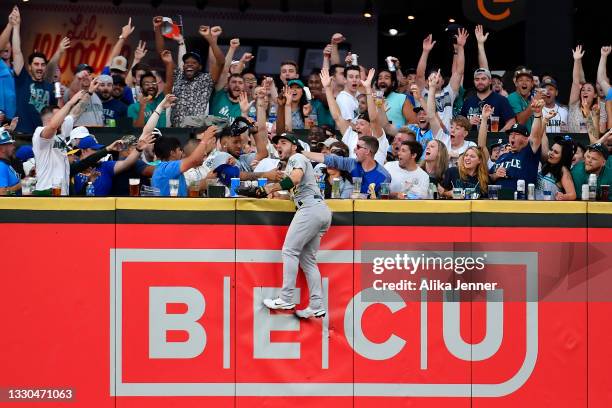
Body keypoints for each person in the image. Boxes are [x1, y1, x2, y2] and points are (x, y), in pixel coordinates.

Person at [262, 132, 332, 319]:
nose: (279, 146)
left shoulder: (297, 157)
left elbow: (295, 179)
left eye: (284, 142)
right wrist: (274, 193)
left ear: (294, 146)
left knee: (289, 251)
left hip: (310, 209)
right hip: (320, 210)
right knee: (308, 260)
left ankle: (286, 298)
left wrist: (270, 188)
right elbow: (293, 187)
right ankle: (316, 305)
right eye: (277, 143)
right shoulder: (291, 164)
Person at [320, 68, 389, 165]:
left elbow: (373, 119)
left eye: (361, 124)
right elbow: (337, 117)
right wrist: (327, 88)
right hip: (354, 179)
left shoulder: (377, 137)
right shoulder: (351, 136)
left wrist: (368, 88)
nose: (357, 126)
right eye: (356, 124)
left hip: (375, 179)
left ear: (370, 126)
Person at [9, 7, 57, 134]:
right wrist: (16, 26)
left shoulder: (50, 88)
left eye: (42, 65)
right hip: (22, 135)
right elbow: (17, 52)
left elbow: (55, 113)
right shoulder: (22, 79)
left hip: (42, 137)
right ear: (30, 66)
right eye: (36, 64)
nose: (40, 67)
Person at [169, 25, 225, 127]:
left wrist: (210, 39)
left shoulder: (206, 80)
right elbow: (162, 54)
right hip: (175, 130)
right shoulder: (178, 77)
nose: (189, 64)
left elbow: (221, 62)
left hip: (196, 131)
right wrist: (180, 41)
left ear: (200, 67)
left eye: (194, 62)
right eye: (186, 62)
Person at [32, 90, 85, 195]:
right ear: (50, 119)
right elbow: (52, 126)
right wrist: (70, 103)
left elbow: (76, 111)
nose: (63, 118)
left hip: (62, 192)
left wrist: (90, 92)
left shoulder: (63, 129)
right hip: (46, 192)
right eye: (60, 115)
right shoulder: (39, 133)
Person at [488, 99, 546, 193]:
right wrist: (495, 175)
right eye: (511, 134)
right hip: (496, 199)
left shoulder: (529, 152)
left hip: (519, 200)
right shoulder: (503, 156)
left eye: (517, 134)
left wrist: (537, 115)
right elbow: (488, 177)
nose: (512, 136)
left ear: (526, 139)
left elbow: (535, 136)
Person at [303, 135, 391, 196]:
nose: (354, 149)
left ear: (367, 151)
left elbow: (383, 200)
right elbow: (329, 159)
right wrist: (302, 153)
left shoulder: (384, 176)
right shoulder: (351, 164)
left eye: (358, 147)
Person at [415, 29, 467, 131]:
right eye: (432, 76)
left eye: (438, 76)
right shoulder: (422, 93)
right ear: (427, 82)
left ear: (443, 81)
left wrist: (460, 48)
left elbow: (459, 71)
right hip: (427, 136)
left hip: (446, 137)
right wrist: (425, 52)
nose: (435, 78)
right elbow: (420, 75)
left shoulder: (449, 92)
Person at [72, 133, 153, 196]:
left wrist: (138, 149)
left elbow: (126, 163)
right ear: (83, 151)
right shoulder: (72, 169)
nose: (97, 152)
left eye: (99, 149)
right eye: (94, 149)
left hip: (105, 211)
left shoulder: (105, 166)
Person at [536, 135, 576, 200]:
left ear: (563, 157)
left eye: (556, 152)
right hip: (535, 207)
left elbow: (572, 194)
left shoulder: (563, 170)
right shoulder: (546, 165)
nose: (551, 153)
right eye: (551, 150)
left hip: (549, 208)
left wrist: (563, 196)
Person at [507, 67, 537, 131]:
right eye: (521, 80)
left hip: (531, 138)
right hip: (518, 139)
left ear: (532, 84)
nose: (524, 83)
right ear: (516, 83)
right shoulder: (513, 97)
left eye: (527, 80)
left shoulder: (530, 99)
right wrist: (533, 103)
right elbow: (520, 122)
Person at [0, 128, 20, 195]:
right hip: (9, 205)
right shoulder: (1, 166)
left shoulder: (6, 164)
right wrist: (20, 185)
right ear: (2, 149)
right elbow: (2, 193)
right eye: (10, 144)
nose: (13, 147)